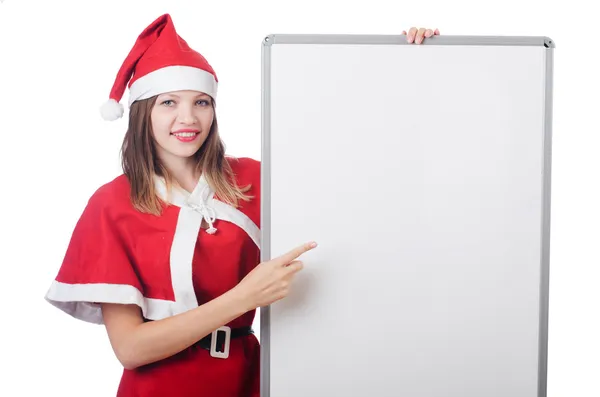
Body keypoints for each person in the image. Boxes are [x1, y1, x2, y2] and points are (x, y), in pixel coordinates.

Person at [44, 13, 440, 397]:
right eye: (169, 103)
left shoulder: (254, 179)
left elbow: (358, 172)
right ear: (143, 111)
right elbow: (130, 349)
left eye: (201, 102)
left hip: (253, 380)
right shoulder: (112, 204)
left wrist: (406, 67)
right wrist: (245, 297)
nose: (188, 118)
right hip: (160, 390)